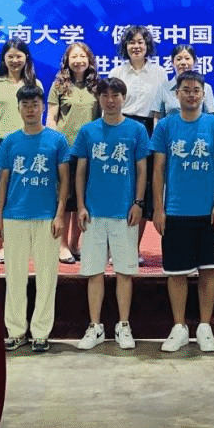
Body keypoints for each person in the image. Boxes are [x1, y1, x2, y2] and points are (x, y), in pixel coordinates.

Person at [152, 71, 214, 353]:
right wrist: (158, 208)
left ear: (203, 93)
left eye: (196, 90)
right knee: (176, 272)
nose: (191, 95)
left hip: (209, 212)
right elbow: (158, 169)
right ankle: (179, 327)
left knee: (209, 269)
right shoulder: (166, 126)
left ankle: (205, 327)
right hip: (176, 210)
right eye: (186, 89)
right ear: (177, 94)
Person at [72, 78, 150, 350]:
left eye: (116, 95)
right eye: (105, 95)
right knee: (94, 271)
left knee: (124, 272)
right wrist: (81, 205)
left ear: (124, 98)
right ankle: (95, 326)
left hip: (124, 212)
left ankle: (123, 325)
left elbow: (142, 169)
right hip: (94, 212)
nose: (110, 100)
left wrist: (138, 203)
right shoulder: (88, 131)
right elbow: (81, 171)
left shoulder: (137, 130)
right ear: (99, 99)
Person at [0, 85, 70, 353]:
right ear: (18, 108)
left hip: (46, 216)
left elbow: (64, 181)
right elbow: (3, 182)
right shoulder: (10, 141)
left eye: (35, 104)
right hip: (15, 215)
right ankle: (16, 331)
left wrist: (60, 214)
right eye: (25, 104)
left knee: (47, 277)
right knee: (14, 277)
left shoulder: (56, 140)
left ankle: (40, 333)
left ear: (42, 107)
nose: (30, 109)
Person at [0, 39, 43, 264]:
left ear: (26, 58)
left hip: (28, 144)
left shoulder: (35, 84)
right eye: (10, 56)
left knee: (27, 194)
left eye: (19, 56)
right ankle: (4, 245)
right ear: (4, 59)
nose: (15, 60)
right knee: (0, 197)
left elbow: (39, 116)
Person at [109, 26, 168, 260]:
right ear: (125, 46)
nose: (136, 46)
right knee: (121, 186)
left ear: (147, 46)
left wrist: (157, 138)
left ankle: (133, 247)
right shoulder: (117, 72)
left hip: (149, 130)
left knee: (142, 190)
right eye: (131, 42)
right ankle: (116, 247)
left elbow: (160, 110)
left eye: (140, 42)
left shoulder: (159, 73)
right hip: (121, 129)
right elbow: (109, 106)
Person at [47, 42, 100, 264]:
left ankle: (75, 243)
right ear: (67, 61)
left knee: (82, 199)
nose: (78, 61)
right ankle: (61, 245)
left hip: (89, 151)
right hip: (65, 149)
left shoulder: (96, 86)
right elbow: (51, 118)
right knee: (64, 198)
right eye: (74, 57)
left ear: (89, 60)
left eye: (82, 56)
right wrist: (53, 144)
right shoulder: (59, 85)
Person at [151, 43, 214, 118]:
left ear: (194, 61)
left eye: (187, 58)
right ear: (172, 62)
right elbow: (157, 118)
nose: (183, 62)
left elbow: (211, 117)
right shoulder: (163, 89)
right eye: (179, 59)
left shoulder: (206, 88)